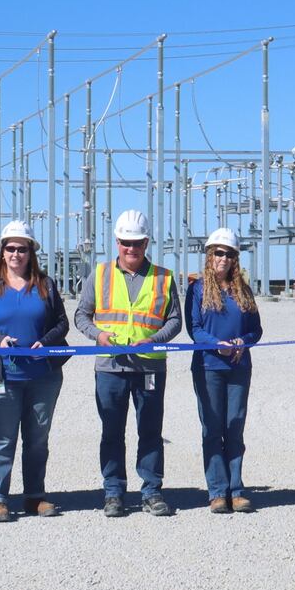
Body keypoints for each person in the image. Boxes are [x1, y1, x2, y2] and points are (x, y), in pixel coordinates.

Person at [74, 209, 181, 518]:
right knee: (112, 430)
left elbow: (175, 320)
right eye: (125, 243)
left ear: (146, 243)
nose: (130, 249)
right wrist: (98, 334)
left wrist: (155, 339)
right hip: (111, 366)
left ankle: (151, 491)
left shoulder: (164, 277)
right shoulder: (101, 273)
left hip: (149, 367)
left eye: (136, 243)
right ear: (116, 242)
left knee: (150, 430)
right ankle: (113, 492)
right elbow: (81, 314)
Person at [0, 220, 69, 522]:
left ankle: (34, 495)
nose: (16, 254)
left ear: (31, 253)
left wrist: (47, 341)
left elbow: (61, 323)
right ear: (2, 252)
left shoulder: (45, 285)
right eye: (10, 248)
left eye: (22, 248)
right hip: (2, 375)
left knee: (37, 438)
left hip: (42, 376)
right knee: (2, 437)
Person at [186, 228, 263, 513]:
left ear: (235, 259)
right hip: (209, 367)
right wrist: (216, 344)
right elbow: (193, 328)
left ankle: (237, 488)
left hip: (238, 368)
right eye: (218, 252)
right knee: (212, 427)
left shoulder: (243, 290)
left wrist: (244, 341)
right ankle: (217, 490)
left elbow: (256, 329)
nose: (223, 258)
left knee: (235, 427)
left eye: (229, 254)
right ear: (209, 256)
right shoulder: (196, 290)